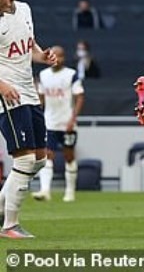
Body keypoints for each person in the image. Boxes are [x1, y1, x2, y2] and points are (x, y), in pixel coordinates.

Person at [0, 0, 56, 238]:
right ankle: (10, 225)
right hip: (7, 96)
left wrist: (43, 56)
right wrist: (1, 85)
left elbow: (29, 45)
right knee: (24, 160)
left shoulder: (24, 10)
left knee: (40, 161)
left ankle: (2, 205)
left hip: (29, 92)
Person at [32, 45, 84, 203]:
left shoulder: (71, 75)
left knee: (69, 156)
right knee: (47, 155)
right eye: (54, 55)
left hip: (67, 122)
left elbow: (80, 97)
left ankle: (70, 192)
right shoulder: (43, 74)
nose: (57, 59)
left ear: (64, 58)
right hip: (49, 122)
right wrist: (38, 116)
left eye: (60, 56)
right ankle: (45, 190)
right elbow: (41, 98)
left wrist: (73, 119)